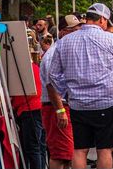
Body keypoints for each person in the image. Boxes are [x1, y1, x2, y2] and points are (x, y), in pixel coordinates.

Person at [43, 3, 113, 169]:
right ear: (102, 19)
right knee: (104, 149)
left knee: (79, 149)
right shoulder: (111, 39)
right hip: (106, 102)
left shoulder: (64, 42)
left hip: (77, 104)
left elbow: (53, 75)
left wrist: (65, 91)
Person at [41, 15, 80, 169]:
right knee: (60, 154)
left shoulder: (62, 50)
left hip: (62, 106)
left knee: (68, 153)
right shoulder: (54, 53)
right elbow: (51, 84)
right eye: (74, 31)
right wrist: (60, 110)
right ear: (63, 32)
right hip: (57, 107)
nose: (78, 34)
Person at [12, 32, 46, 169]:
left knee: (32, 147)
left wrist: (13, 105)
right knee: (40, 146)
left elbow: (19, 96)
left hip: (29, 110)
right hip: (38, 108)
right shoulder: (36, 68)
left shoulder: (24, 71)